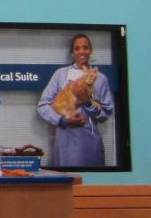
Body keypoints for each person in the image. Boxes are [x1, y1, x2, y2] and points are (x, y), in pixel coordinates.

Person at [37, 34, 114, 167]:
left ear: (91, 50)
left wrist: (87, 102)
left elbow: (106, 112)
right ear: (72, 52)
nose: (81, 52)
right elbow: (43, 105)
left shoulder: (100, 78)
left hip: (90, 140)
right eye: (77, 48)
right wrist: (62, 120)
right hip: (66, 138)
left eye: (85, 47)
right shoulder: (60, 74)